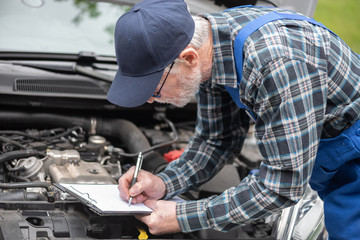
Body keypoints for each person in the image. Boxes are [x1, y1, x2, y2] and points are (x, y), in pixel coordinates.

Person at [107, 0, 360, 239]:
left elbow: (282, 185)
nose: (151, 100)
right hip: (330, 156)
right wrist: (164, 183)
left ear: (189, 58)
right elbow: (216, 141)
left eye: (154, 88)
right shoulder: (210, 49)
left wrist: (183, 217)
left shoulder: (276, 62)